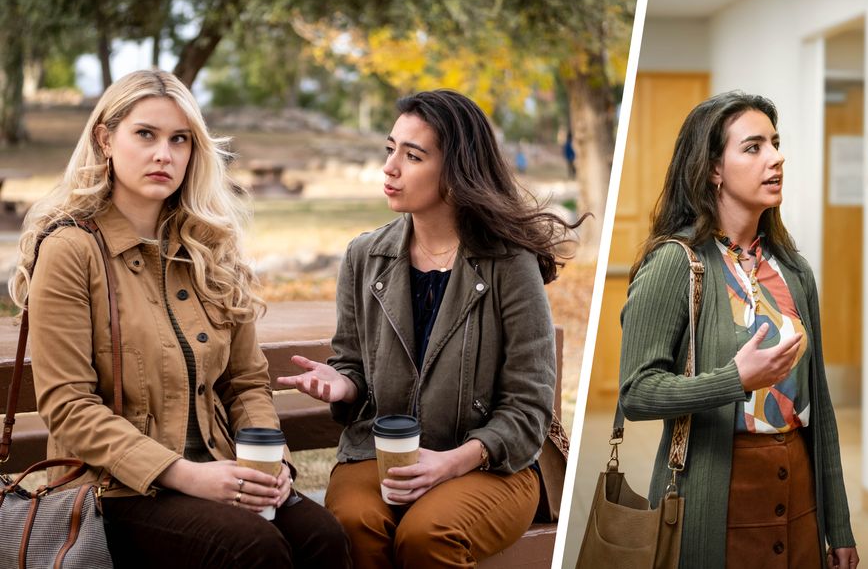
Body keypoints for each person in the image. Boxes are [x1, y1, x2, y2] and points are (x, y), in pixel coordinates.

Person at [10, 69, 350, 568]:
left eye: (180, 140)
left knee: (324, 537)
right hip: (115, 492)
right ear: (106, 138)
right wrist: (185, 476)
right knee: (252, 549)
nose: (163, 154)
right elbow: (67, 406)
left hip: (219, 467)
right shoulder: (71, 250)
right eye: (145, 135)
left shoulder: (209, 248)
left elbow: (247, 382)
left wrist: (268, 459)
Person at [277, 89, 578, 568]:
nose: (390, 167)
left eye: (412, 155)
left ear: (457, 171)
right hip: (379, 456)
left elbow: (528, 406)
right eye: (390, 149)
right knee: (354, 526)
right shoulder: (364, 256)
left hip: (490, 462)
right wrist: (345, 384)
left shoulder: (509, 264)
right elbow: (351, 362)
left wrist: (450, 463)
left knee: (427, 534)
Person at [618, 91, 859, 568]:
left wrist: (839, 526)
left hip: (800, 493)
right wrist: (734, 380)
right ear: (713, 169)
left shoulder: (793, 269)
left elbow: (822, 408)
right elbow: (636, 393)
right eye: (753, 147)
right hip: (718, 496)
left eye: (775, 142)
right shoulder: (675, 263)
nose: (776, 157)